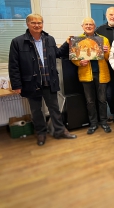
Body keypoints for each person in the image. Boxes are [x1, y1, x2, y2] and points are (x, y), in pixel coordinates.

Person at [8, 13, 77, 146]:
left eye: (39, 22)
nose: (37, 25)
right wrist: (17, 84)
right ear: (27, 24)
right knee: (36, 110)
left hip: (49, 80)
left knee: (54, 108)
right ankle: (41, 133)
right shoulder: (18, 42)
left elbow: (57, 54)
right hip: (31, 83)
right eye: (33, 23)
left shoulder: (49, 39)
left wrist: (67, 44)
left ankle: (60, 130)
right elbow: (14, 65)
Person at [71, 17, 112, 134]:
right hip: (86, 74)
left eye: (91, 25)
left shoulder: (103, 39)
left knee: (102, 100)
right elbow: (74, 58)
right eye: (86, 24)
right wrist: (79, 62)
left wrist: (106, 51)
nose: (88, 26)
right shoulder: (77, 40)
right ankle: (93, 123)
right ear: (82, 26)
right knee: (90, 101)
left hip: (101, 74)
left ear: (94, 26)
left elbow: (108, 58)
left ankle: (103, 122)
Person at [95, 7, 114, 123]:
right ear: (106, 16)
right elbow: (94, 49)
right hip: (107, 68)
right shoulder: (99, 30)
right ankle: (113, 111)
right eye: (111, 15)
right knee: (108, 94)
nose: (113, 17)